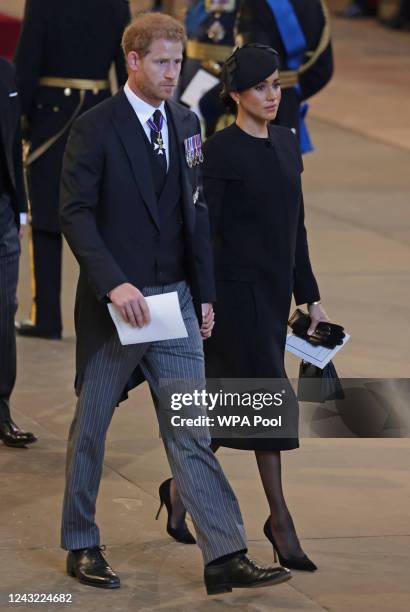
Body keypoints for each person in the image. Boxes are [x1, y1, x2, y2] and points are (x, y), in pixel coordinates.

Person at [59, 13, 291, 594]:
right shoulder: (94, 128)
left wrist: (206, 295)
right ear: (132, 61)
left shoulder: (187, 122)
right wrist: (114, 283)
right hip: (120, 307)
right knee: (91, 429)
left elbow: (196, 214)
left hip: (178, 303)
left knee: (190, 426)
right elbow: (76, 214)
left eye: (178, 62)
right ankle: (81, 542)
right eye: (162, 61)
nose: (173, 72)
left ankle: (225, 553)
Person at [161, 44, 330, 571]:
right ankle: (279, 520)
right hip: (232, 301)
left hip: (274, 296)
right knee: (267, 404)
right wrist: (202, 299)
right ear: (235, 95)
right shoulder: (219, 151)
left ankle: (179, 491)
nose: (272, 95)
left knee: (231, 408)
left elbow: (294, 230)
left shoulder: (285, 143)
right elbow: (203, 235)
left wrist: (311, 299)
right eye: (261, 87)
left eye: (276, 85)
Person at [13, 0, 131, 339]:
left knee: (47, 220)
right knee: (103, 220)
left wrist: (18, 122)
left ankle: (47, 316)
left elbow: (27, 62)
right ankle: (112, 313)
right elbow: (125, 67)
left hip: (50, 117)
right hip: (101, 112)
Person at [235, 0, 333, 152]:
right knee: (286, 169)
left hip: (253, 110)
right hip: (289, 105)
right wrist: (291, 95)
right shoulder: (314, 4)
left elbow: (254, 63)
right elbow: (323, 69)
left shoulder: (255, 3)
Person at [0, 57, 37, 448]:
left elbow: (12, 144)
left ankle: (1, 409)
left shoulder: (7, 72)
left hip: (3, 210)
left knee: (3, 308)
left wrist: (21, 206)